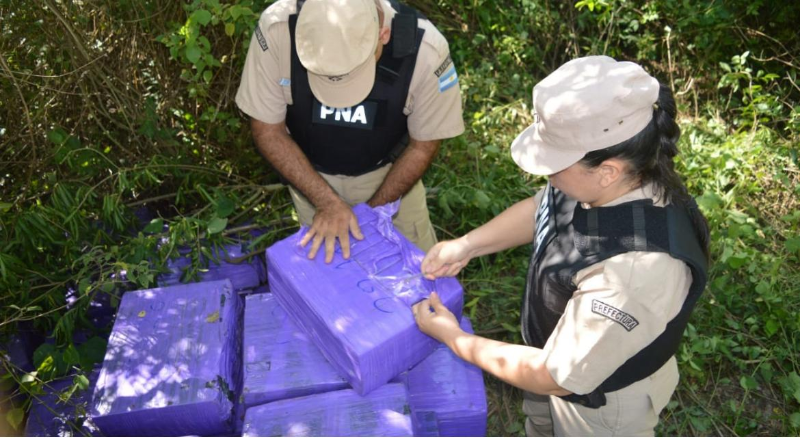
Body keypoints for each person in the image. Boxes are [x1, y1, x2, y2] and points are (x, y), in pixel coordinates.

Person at [412, 56, 710, 436]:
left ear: (607, 171)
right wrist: (468, 245)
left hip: (598, 406)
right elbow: (545, 207)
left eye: (554, 165)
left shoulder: (635, 274)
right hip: (551, 358)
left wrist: (454, 338)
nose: (546, 173)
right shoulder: (602, 182)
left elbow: (554, 376)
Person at [236, 0, 465, 263]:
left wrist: (373, 215)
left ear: (383, 35)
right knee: (329, 284)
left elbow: (422, 146)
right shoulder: (277, 29)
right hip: (309, 178)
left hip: (392, 178)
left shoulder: (425, 50)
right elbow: (268, 131)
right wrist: (326, 202)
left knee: (420, 279)